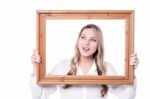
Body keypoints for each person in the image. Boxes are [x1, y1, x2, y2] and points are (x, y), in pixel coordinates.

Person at [30, 24, 139, 99]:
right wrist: (36, 68)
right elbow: (39, 95)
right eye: (83, 37)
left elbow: (127, 96)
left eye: (93, 39)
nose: (86, 43)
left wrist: (131, 71)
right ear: (78, 41)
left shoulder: (106, 68)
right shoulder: (62, 67)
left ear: (98, 45)